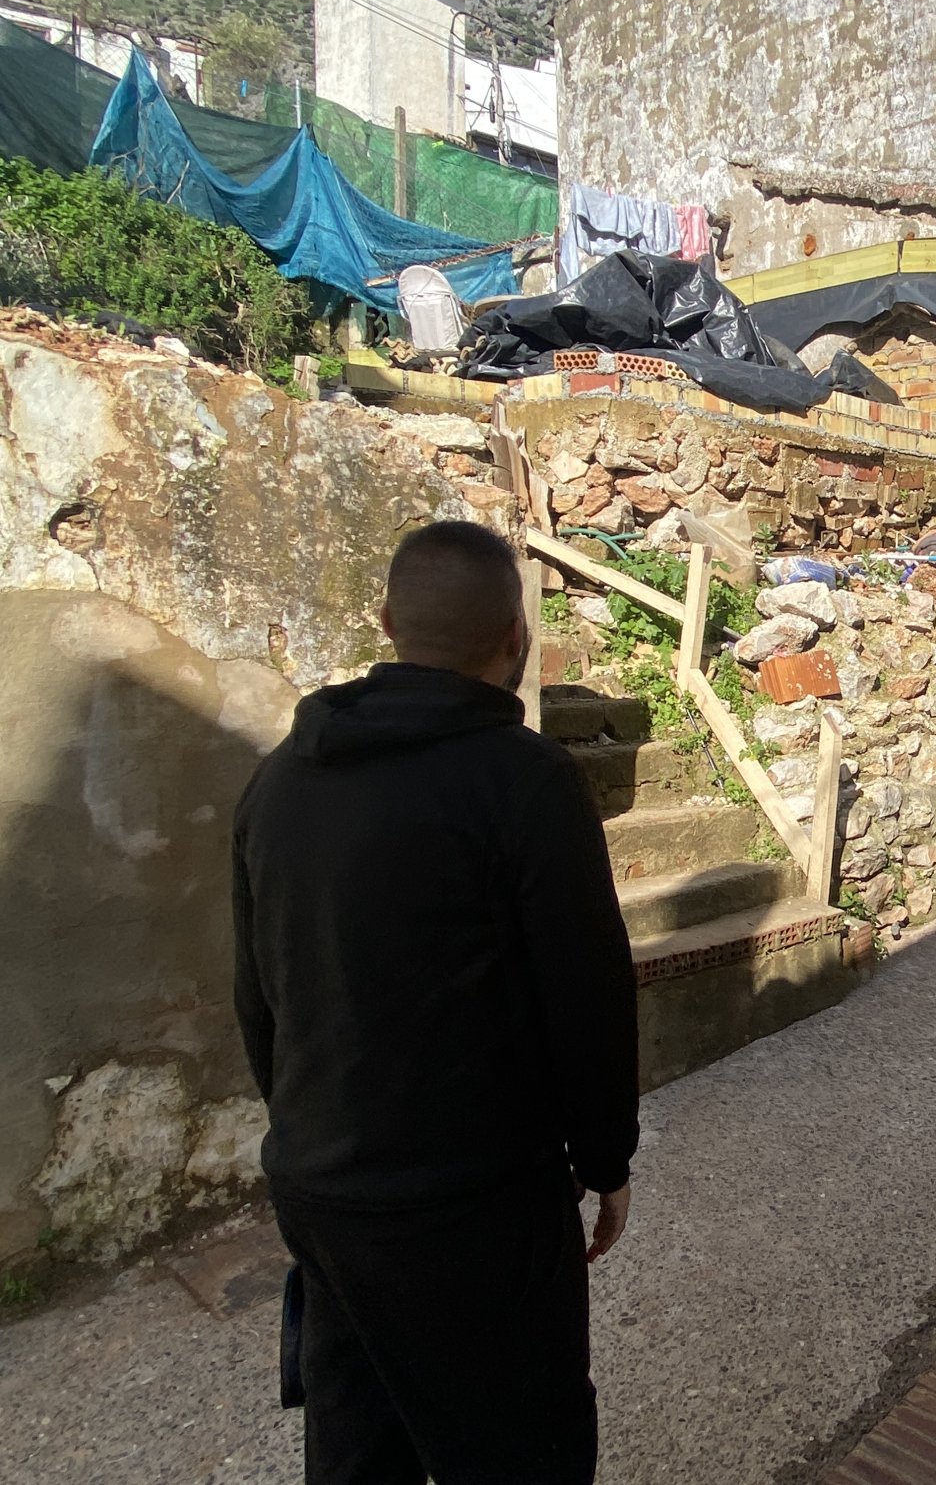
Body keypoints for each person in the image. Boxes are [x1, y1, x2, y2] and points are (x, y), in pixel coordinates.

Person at [233, 521, 640, 1485]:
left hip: (323, 1184)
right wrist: (605, 1158)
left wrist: (308, 1133)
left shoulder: (279, 779)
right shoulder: (526, 783)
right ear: (517, 639)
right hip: (474, 1200)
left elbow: (258, 994)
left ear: (386, 622)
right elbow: (586, 993)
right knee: (519, 1445)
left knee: (356, 1437)